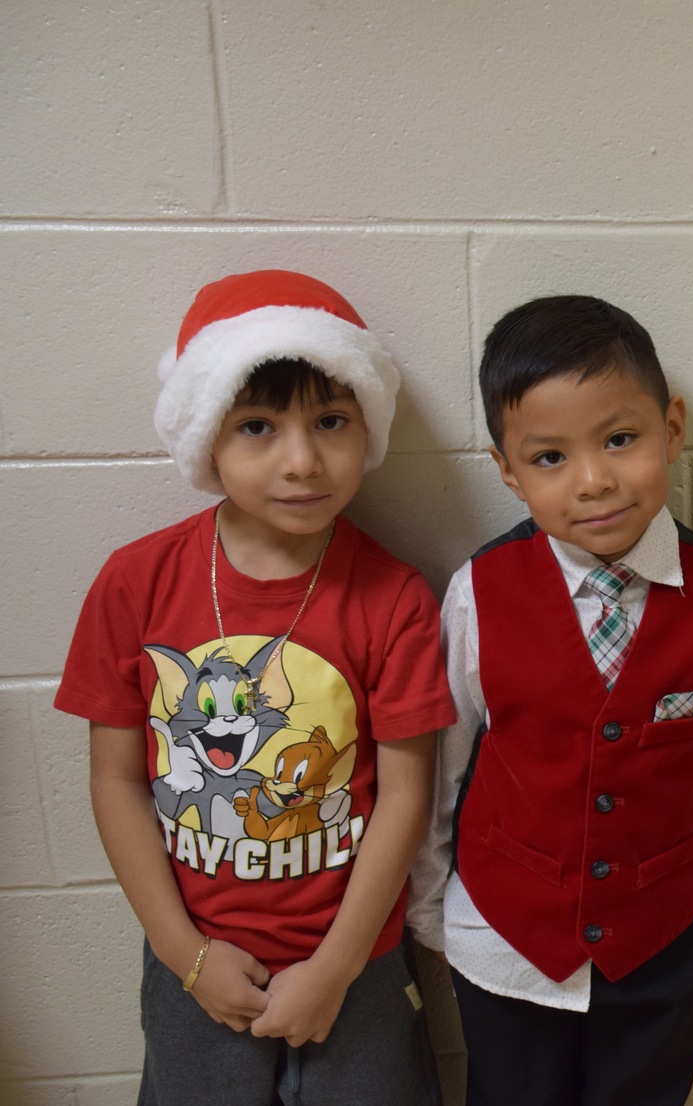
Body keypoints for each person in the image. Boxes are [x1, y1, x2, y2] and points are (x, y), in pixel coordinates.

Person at [55, 269, 454, 1104]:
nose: (302, 461)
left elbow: (405, 797)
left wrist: (338, 967)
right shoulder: (136, 584)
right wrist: (181, 953)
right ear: (207, 438)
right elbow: (115, 778)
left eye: (331, 422)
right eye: (258, 427)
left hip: (359, 962)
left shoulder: (396, 597)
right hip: (195, 959)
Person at [407, 294, 693, 1106]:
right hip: (504, 947)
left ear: (671, 430)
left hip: (664, 951)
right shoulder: (478, 593)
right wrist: (432, 913)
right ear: (506, 469)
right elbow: (441, 767)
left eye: (621, 439)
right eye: (549, 458)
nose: (594, 480)